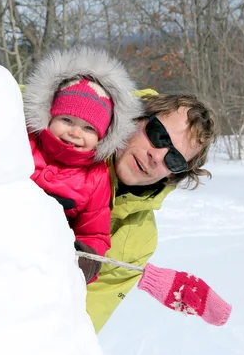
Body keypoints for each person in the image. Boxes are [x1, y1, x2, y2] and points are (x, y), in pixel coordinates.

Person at [85, 91, 217, 333]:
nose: (157, 157)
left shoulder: (136, 241)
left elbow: (77, 324)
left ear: (173, 175)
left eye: (174, 159)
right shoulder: (68, 128)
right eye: (158, 136)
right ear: (136, 118)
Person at [23, 46, 143, 284]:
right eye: (67, 120)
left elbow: (94, 230)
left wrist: (87, 256)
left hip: (41, 260)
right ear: (50, 117)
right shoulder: (25, 143)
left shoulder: (96, 177)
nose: (75, 132)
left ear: (102, 137)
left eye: (89, 128)